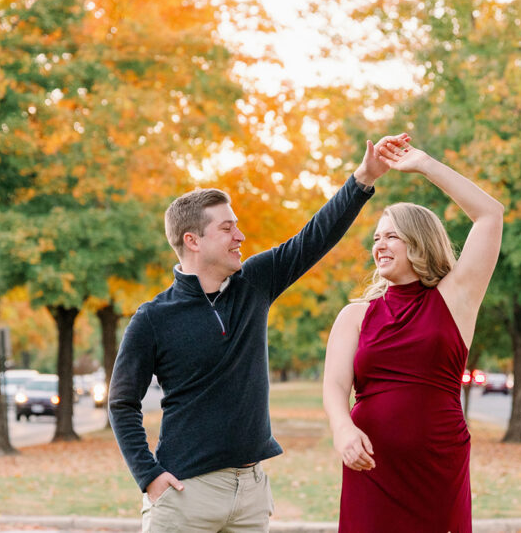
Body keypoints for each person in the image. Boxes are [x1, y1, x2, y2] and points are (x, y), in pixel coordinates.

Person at [108, 134, 405, 533]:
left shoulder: (254, 283)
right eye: (227, 228)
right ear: (192, 241)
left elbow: (312, 238)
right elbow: (122, 402)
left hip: (251, 494)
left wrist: (364, 178)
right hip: (185, 493)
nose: (240, 237)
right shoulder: (152, 318)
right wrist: (148, 476)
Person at [322, 139, 504, 533]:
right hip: (369, 463)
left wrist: (425, 165)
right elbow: (335, 386)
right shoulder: (355, 315)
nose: (380, 245)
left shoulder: (455, 298)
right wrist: (342, 429)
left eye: (391, 236)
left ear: (418, 242)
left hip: (438, 464)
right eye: (376, 238)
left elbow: (490, 215)